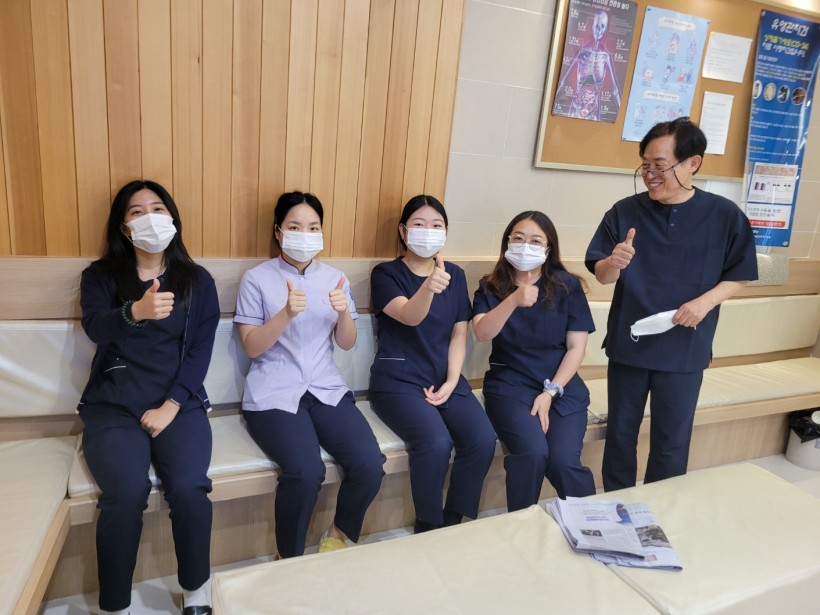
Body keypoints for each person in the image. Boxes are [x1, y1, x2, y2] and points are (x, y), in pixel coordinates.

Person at [585, 118, 758, 491]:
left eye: (660, 165)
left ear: (692, 163)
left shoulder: (724, 215)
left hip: (685, 346)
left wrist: (705, 303)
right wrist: (612, 263)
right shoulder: (624, 211)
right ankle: (617, 507)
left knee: (671, 441)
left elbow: (741, 273)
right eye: (645, 165)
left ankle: (661, 511)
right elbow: (601, 275)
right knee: (620, 436)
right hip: (630, 345)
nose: (649, 174)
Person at [78, 180, 219, 615]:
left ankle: (196, 590)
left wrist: (171, 405)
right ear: (124, 228)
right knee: (125, 493)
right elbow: (95, 327)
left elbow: (200, 352)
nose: (149, 218)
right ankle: (116, 606)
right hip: (114, 403)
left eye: (157, 209)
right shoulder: (100, 277)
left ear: (172, 219)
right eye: (137, 212)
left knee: (190, 487)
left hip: (178, 401)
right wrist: (134, 311)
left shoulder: (197, 281)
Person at [234, 191, 385, 559]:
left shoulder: (335, 278)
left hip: (325, 387)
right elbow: (252, 347)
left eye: (313, 227)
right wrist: (285, 313)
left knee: (369, 463)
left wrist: (344, 312)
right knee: (304, 471)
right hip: (273, 391)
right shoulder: (256, 279)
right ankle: (289, 557)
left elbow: (347, 343)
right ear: (278, 231)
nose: (305, 234)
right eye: (295, 227)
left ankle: (338, 534)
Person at [369, 195, 497, 533]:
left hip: (445, 377)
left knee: (482, 439)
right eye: (419, 224)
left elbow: (459, 332)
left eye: (436, 225)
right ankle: (427, 523)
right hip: (398, 382)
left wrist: (453, 380)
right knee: (437, 443)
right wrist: (427, 288)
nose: (428, 231)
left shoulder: (454, 274)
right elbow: (409, 316)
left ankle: (453, 518)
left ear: (446, 232)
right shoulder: (386, 274)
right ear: (403, 230)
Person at [472, 211, 596, 510]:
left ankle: (592, 523)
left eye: (536, 241)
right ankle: (522, 522)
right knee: (531, 453)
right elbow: (482, 333)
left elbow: (576, 347)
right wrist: (513, 300)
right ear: (507, 243)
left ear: (548, 249)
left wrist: (550, 392)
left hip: (561, 386)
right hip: (510, 386)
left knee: (563, 461)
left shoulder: (567, 286)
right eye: (518, 238)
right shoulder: (490, 286)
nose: (525, 246)